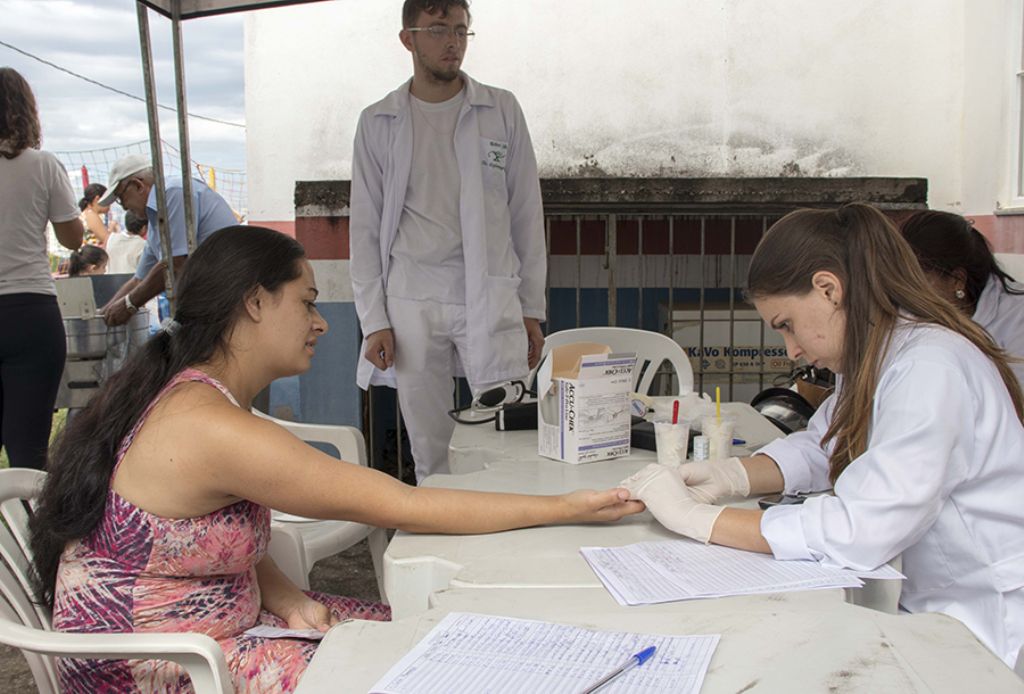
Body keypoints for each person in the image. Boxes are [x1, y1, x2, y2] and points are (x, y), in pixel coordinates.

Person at [29, 225, 641, 692]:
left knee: (410, 622)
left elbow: (200, 536)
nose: (321, 323)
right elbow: (405, 505)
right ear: (254, 302)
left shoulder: (193, 395)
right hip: (161, 670)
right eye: (308, 302)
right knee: (431, 662)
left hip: (207, 636)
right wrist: (567, 506)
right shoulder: (212, 427)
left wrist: (286, 594)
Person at [622, 203, 1024, 667]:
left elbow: (861, 530)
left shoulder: (928, 368)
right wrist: (731, 475)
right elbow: (826, 443)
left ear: (828, 289)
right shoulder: (883, 349)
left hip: (988, 622)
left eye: (787, 325)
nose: (791, 349)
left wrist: (697, 520)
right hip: (939, 604)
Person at [350, 0, 547, 482]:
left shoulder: (500, 109)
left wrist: (531, 308)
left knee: (505, 429)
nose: (453, 42)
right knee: (430, 442)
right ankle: (440, 532)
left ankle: (505, 532)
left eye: (461, 30)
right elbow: (366, 227)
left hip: (491, 289)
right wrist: (374, 318)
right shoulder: (379, 122)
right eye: (438, 30)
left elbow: (526, 212)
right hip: (412, 297)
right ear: (408, 38)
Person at [0, 67, 84, 470]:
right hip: (30, 310)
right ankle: (29, 531)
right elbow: (72, 240)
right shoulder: (44, 165)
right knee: (29, 449)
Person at [97, 153, 236, 327]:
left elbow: (175, 263)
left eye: (121, 197)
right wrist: (104, 313)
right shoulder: (156, 220)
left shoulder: (173, 193)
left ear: (138, 185)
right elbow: (139, 279)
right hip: (207, 302)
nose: (124, 206)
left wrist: (129, 305)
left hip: (225, 299)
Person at [900, 209, 1024, 389]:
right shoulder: (907, 313)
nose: (908, 293)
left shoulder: (1017, 318)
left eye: (917, 281)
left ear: (957, 280)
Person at [104, 209, 148, 274]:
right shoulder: (143, 245)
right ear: (144, 228)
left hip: (110, 280)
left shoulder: (111, 238)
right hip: (132, 281)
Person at [78, 182, 118, 247]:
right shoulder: (91, 215)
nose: (110, 205)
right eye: (107, 200)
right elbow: (107, 240)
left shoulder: (86, 213)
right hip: (94, 255)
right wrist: (112, 228)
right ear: (97, 199)